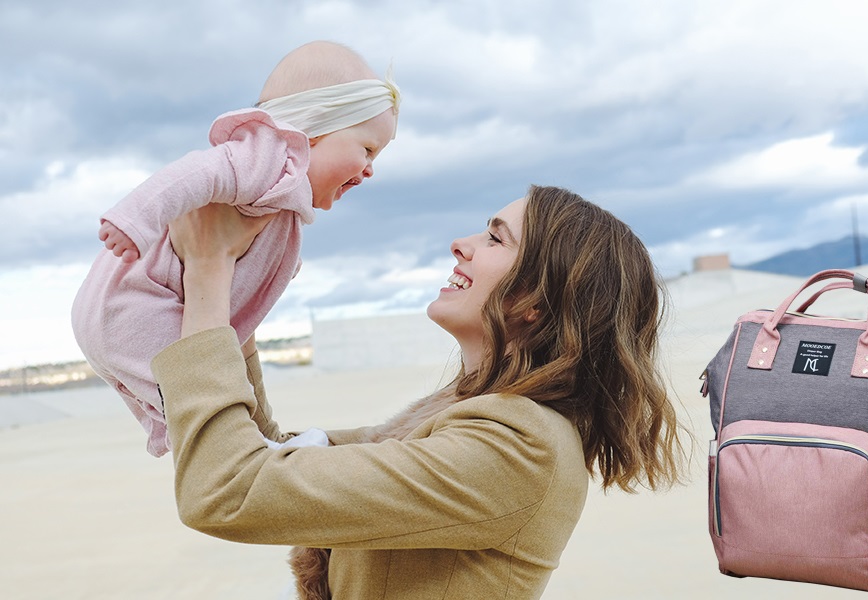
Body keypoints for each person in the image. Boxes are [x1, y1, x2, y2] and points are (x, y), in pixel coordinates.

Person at [150, 185, 688, 599]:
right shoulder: (472, 417)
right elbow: (276, 460)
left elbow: (226, 490)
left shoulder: (519, 447)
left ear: (538, 302)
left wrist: (207, 271)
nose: (462, 244)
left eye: (496, 238)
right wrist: (238, 289)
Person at [71, 41, 401, 456]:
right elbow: (197, 172)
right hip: (134, 305)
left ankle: (203, 437)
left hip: (121, 314)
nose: (371, 169)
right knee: (199, 391)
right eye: (367, 149)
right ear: (314, 129)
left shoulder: (284, 197)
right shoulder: (267, 157)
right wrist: (134, 220)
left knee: (194, 387)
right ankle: (243, 449)